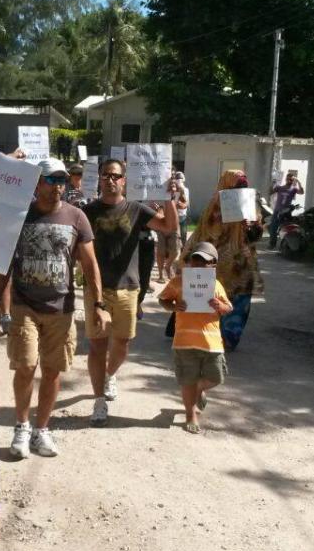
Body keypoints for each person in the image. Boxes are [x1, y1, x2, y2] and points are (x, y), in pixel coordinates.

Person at [0, 159, 109, 459]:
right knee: (26, 366)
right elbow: (3, 267)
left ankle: (41, 430)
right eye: (51, 179)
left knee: (52, 371)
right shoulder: (19, 217)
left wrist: (98, 304)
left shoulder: (77, 217)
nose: (58, 186)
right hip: (24, 306)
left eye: (62, 180)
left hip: (62, 309)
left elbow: (90, 264)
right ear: (37, 182)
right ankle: (21, 426)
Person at [82, 159, 178, 426]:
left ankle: (110, 374)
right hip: (97, 291)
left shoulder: (136, 209)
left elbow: (168, 227)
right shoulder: (88, 211)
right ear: (99, 179)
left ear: (124, 180)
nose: (110, 180)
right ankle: (99, 401)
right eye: (105, 175)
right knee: (97, 346)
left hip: (128, 288)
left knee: (122, 343)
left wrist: (168, 197)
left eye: (115, 176)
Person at [158, 242, 233, 434]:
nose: (199, 264)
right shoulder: (178, 281)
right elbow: (163, 299)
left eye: (205, 261)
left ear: (213, 265)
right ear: (189, 262)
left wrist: (219, 306)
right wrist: (174, 307)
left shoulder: (216, 285)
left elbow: (228, 308)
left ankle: (199, 389)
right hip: (184, 342)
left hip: (212, 343)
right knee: (187, 381)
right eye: (196, 260)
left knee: (216, 377)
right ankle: (191, 414)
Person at [193, 170, 264, 351]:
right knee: (213, 299)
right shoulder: (214, 205)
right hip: (217, 264)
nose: (240, 189)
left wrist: (251, 226)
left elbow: (256, 236)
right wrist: (224, 221)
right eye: (237, 185)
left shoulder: (251, 205)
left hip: (242, 266)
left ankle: (230, 337)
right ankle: (210, 335)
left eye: (243, 185)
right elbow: (208, 232)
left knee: (240, 300)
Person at [156, 174, 189, 281]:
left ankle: (168, 265)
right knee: (160, 251)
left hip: (175, 226)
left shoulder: (179, 191)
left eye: (174, 183)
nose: (172, 185)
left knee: (175, 251)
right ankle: (161, 275)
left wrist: (179, 202)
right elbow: (157, 207)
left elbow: (184, 204)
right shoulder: (158, 191)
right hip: (161, 224)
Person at [269, 170, 304, 249]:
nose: (289, 181)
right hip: (277, 211)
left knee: (288, 228)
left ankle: (286, 245)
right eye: (288, 179)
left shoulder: (293, 189)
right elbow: (270, 192)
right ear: (285, 179)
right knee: (273, 227)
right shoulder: (280, 188)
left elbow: (301, 192)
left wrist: (298, 182)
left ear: (293, 180)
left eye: (291, 180)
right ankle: (272, 243)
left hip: (286, 212)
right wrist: (273, 183)